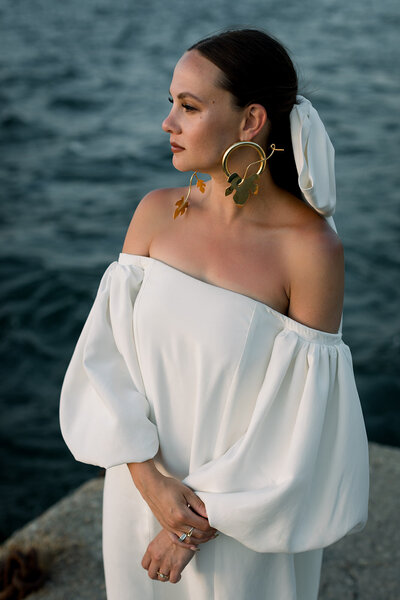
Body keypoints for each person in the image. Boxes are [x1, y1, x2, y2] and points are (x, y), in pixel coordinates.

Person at [59, 28, 369, 600]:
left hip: (241, 528)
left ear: (251, 122)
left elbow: (306, 425)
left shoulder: (308, 250)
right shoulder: (156, 215)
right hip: (137, 500)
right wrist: (149, 483)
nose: (168, 122)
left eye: (190, 106)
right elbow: (108, 365)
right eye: (170, 102)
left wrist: (192, 528)